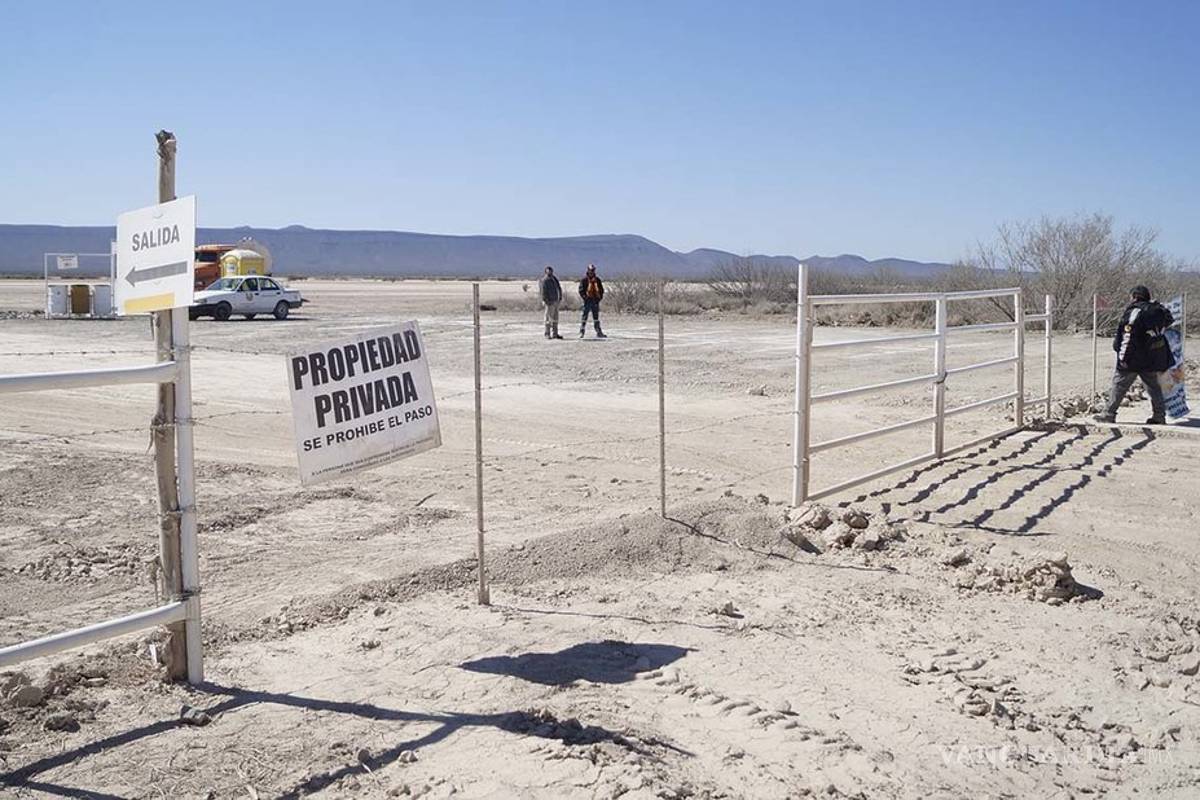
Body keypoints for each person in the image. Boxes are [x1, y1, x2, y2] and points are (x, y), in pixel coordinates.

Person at [1093, 285, 1174, 425]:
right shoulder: (1157, 311)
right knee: (1154, 388)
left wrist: (1123, 357)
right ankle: (1159, 416)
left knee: (1118, 385)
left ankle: (1108, 414)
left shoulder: (1135, 312)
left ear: (1135, 297)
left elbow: (1127, 335)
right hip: (1153, 358)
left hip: (1133, 358)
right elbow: (1169, 320)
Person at [578, 263, 606, 338]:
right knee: (584, 317)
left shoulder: (597, 280)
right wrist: (585, 298)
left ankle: (598, 332)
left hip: (595, 301)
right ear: (588, 271)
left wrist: (599, 299)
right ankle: (582, 331)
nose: (592, 272)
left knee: (596, 318)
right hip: (587, 301)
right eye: (590, 270)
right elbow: (581, 290)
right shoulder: (584, 280)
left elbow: (601, 290)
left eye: (593, 270)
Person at [538, 265, 563, 339]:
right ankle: (547, 333)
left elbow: (559, 288)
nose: (550, 272)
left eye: (551, 271)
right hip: (549, 302)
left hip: (556, 301)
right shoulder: (544, 280)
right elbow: (543, 292)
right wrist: (546, 301)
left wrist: (560, 297)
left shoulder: (554, 279)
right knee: (548, 319)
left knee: (555, 318)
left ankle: (555, 333)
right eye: (548, 271)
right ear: (545, 272)